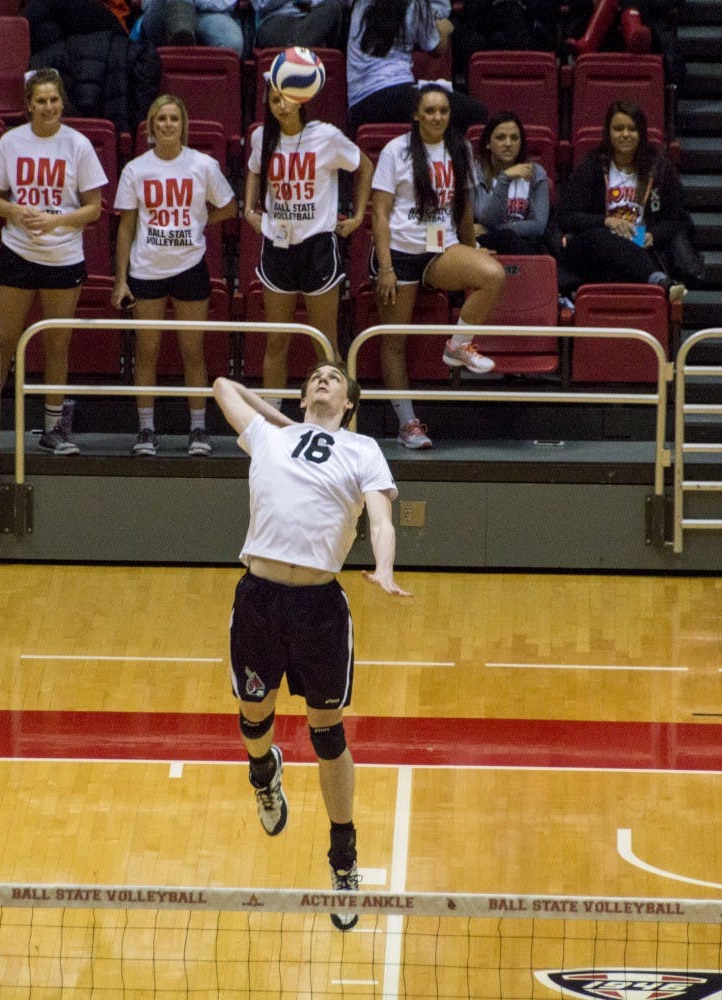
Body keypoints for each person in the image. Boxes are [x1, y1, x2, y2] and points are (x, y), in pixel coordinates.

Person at [212, 360, 409, 931]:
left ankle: (343, 859)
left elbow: (380, 516)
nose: (324, 378)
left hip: (319, 607)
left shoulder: (364, 449)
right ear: (303, 397)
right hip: (258, 600)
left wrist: (386, 566)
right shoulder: (269, 438)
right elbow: (224, 386)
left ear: (350, 403)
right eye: (315, 376)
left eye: (336, 377)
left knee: (327, 733)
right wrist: (288, 425)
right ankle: (263, 772)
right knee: (255, 719)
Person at [370, 82, 505, 449]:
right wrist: (385, 267)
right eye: (429, 111)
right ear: (416, 114)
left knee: (492, 275)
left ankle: (458, 346)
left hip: (439, 248)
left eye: (443, 111)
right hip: (398, 252)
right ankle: (407, 424)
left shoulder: (459, 148)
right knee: (394, 342)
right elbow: (379, 214)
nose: (437, 117)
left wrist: (473, 249)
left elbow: (463, 209)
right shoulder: (395, 151)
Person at [0, 68, 108, 454]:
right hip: (18, 252)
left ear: (62, 102)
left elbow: (94, 209)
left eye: (53, 100)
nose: (48, 107)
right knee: (3, 340)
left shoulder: (78, 145)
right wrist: (16, 211)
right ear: (28, 105)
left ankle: (55, 428)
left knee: (57, 343)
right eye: (40, 100)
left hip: (63, 256)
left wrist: (56, 220)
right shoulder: (11, 142)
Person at [112, 93, 237, 456]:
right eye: (161, 119)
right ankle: (146, 430)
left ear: (184, 125)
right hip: (147, 270)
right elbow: (125, 228)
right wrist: (120, 280)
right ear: (151, 126)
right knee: (147, 351)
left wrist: (199, 223)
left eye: (174, 119)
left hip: (190, 268)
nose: (168, 124)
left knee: (192, 350)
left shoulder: (202, 165)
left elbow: (229, 208)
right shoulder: (136, 169)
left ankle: (198, 430)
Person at [244, 83, 373, 391]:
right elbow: (253, 169)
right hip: (277, 246)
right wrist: (249, 209)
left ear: (301, 100)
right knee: (276, 342)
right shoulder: (262, 137)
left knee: (325, 342)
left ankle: (339, 423)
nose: (281, 106)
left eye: (286, 99)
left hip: (318, 247)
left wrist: (357, 217)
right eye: (274, 100)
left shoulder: (326, 136)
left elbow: (365, 167)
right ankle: (273, 423)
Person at [557, 99, 687, 301]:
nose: (625, 134)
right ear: (608, 132)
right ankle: (660, 281)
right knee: (603, 237)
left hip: (639, 241)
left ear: (641, 133)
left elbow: (675, 220)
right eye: (618, 129)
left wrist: (653, 235)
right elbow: (566, 217)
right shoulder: (592, 165)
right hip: (594, 244)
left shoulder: (660, 168)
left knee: (629, 249)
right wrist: (606, 221)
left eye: (632, 129)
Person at [347, 0, 488, 134]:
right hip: (395, 94)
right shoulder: (415, 4)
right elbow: (437, 48)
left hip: (358, 106)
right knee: (477, 113)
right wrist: (444, 29)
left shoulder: (359, 2)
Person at [472, 111, 551, 255]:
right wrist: (505, 178)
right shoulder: (476, 173)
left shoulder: (536, 173)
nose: (508, 144)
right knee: (507, 238)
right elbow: (485, 217)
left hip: (524, 241)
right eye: (501, 138)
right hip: (487, 243)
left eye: (514, 138)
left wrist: (494, 228)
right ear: (488, 143)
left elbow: (538, 226)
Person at [139, 0, 245, 57]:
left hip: (210, 14)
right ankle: (182, 37)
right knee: (180, 21)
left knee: (232, 42)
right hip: (163, 11)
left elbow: (227, 2)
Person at [253, 0, 346, 49]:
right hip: (276, 21)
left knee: (333, 7)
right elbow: (261, 4)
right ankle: (296, 56)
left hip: (309, 18)